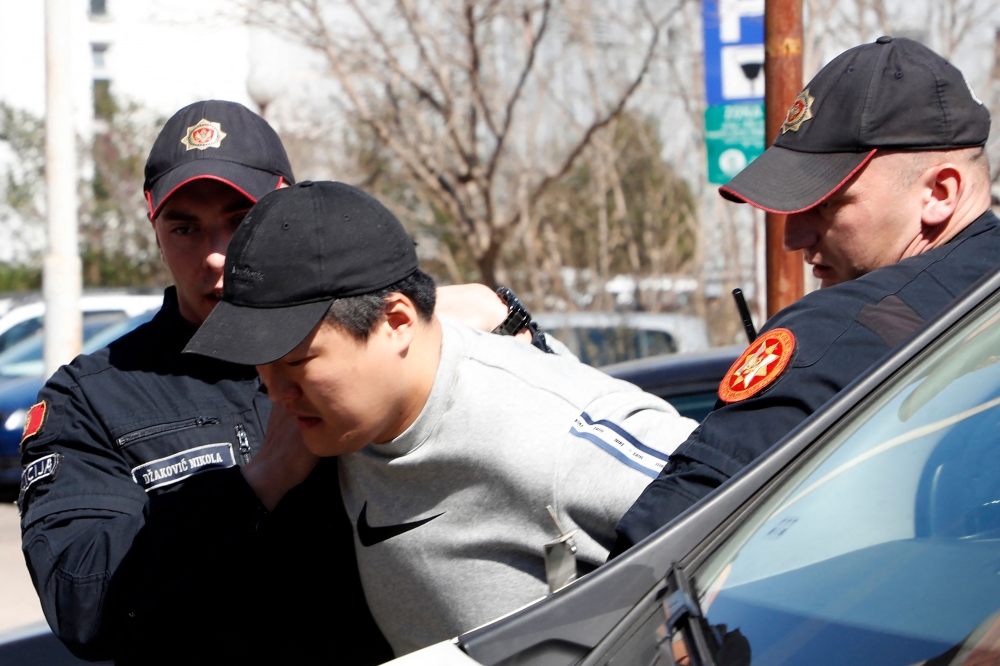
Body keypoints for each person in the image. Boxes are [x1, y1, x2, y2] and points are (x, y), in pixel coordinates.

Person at [18, 100, 530, 664]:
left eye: (240, 221)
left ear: (287, 212)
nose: (215, 256)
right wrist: (259, 481)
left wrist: (501, 315)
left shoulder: (375, 343)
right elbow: (83, 606)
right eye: (185, 227)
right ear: (155, 229)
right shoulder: (90, 397)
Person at [182, 180, 699, 655]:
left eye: (296, 362)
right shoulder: (341, 428)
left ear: (397, 323)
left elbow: (747, 504)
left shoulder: (552, 431)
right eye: (260, 365)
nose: (274, 391)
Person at [612, 36, 1000, 555]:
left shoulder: (839, 332)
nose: (792, 238)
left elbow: (652, 561)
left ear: (939, 193)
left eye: (827, 205)